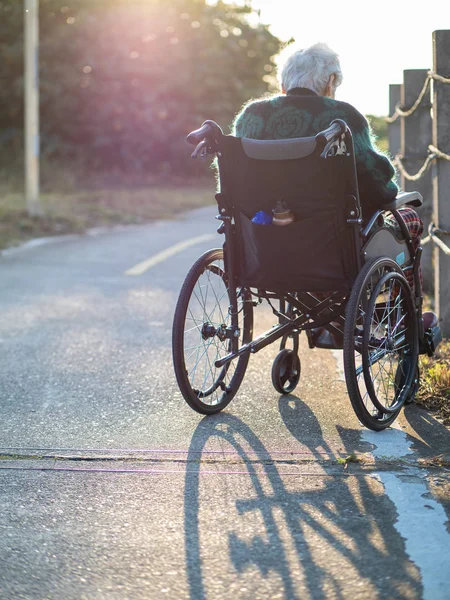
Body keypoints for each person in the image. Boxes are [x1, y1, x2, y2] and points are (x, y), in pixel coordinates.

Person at [232, 42, 437, 347]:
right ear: (329, 82)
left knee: (328, 231)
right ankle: (402, 320)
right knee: (407, 218)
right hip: (331, 247)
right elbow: (379, 187)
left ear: (284, 82)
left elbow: (234, 187)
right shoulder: (342, 118)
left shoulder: (252, 116)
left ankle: (331, 318)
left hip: (263, 247)